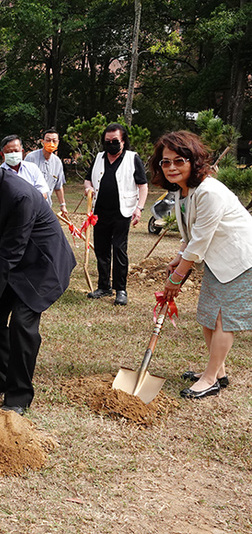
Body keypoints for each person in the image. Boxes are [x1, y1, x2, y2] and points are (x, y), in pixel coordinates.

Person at [0, 140, 76, 415]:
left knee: (22, 324)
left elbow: (8, 255)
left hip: (43, 266)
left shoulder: (19, 194)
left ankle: (18, 396)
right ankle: (4, 377)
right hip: (16, 260)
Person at [151, 131, 252, 399]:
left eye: (179, 160)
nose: (171, 167)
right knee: (209, 315)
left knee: (222, 319)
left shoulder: (209, 192)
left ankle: (210, 379)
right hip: (218, 261)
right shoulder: (183, 192)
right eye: (165, 161)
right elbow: (191, 235)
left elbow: (201, 240)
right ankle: (218, 371)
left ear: (193, 161)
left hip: (240, 260)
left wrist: (176, 279)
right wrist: (179, 256)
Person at [84, 123, 148, 306]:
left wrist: (139, 208)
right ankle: (104, 286)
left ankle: (121, 290)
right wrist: (88, 188)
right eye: (107, 141)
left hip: (123, 212)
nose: (111, 144)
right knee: (102, 250)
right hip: (100, 212)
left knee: (119, 249)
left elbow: (143, 186)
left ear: (123, 141)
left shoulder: (132, 158)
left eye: (115, 141)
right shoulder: (98, 158)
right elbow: (88, 179)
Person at [24, 128, 69, 215]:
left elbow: (58, 186)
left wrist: (62, 205)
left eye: (54, 141)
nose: (51, 143)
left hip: (46, 207)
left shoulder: (57, 162)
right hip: (29, 205)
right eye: (48, 140)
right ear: (42, 141)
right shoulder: (31, 158)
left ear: (58, 143)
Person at [0, 135, 50, 200]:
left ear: (22, 151)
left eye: (16, 151)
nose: (14, 154)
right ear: (2, 154)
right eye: (10, 152)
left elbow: (43, 193)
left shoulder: (32, 168)